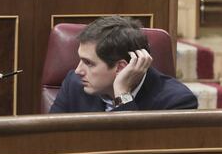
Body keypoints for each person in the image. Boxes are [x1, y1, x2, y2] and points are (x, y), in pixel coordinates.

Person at [50, 16, 198, 113]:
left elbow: (131, 150)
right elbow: (48, 142)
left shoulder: (176, 103)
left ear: (121, 67)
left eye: (89, 63)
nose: (77, 71)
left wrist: (122, 94)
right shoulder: (74, 84)